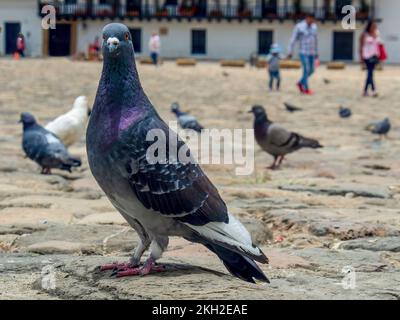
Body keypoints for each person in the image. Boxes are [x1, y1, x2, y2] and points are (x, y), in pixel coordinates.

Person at [288, 13, 319, 95]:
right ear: (307, 18)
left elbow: (315, 40)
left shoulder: (314, 27)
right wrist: (290, 51)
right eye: (311, 19)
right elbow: (293, 39)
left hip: (311, 52)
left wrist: (316, 52)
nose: (312, 21)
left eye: (313, 19)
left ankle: (300, 82)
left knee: (312, 70)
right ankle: (306, 89)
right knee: (306, 70)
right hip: (303, 52)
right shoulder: (299, 27)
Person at [359, 21, 380, 97]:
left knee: (370, 73)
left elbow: (377, 46)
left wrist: (378, 56)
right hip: (367, 56)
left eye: (375, 26)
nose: (374, 27)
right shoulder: (364, 35)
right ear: (369, 26)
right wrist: (361, 58)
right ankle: (373, 90)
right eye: (373, 26)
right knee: (370, 73)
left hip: (374, 56)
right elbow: (361, 46)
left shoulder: (375, 34)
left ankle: (365, 91)